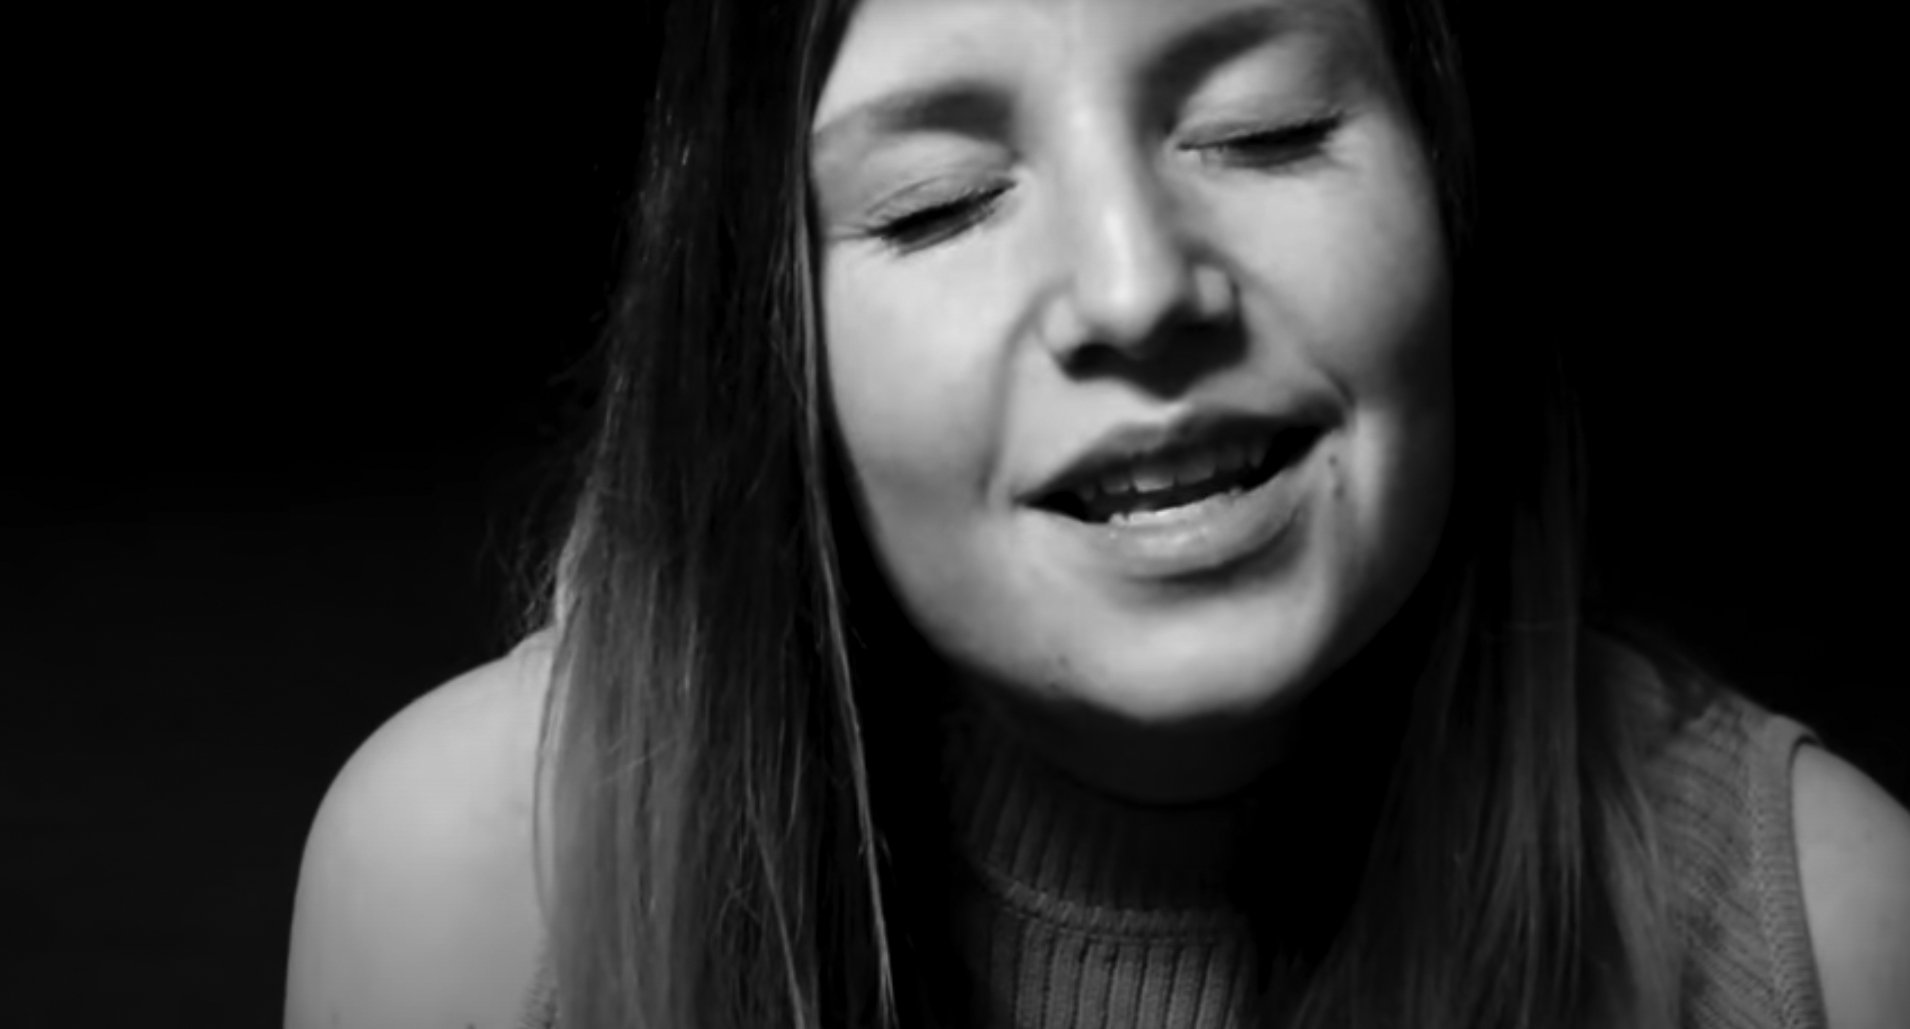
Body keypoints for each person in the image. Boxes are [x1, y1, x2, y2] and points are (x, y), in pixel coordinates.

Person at [284, 0, 1910, 1026]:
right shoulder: (470, 887)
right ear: (766, 352)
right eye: (939, 203)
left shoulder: (1835, 933)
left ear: (1448, 184)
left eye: (1261, 127)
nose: (1136, 290)